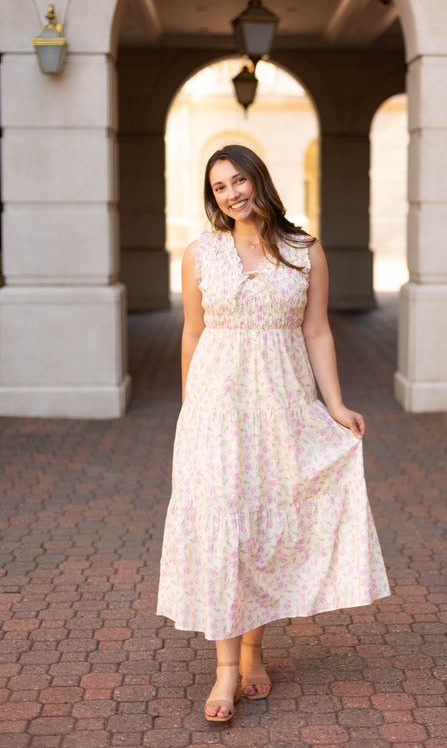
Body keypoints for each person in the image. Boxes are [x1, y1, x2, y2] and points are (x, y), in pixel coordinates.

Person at [157, 144, 389, 723]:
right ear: (212, 198)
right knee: (224, 523)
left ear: (259, 180)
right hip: (217, 409)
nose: (232, 194)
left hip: (281, 408)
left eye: (239, 181)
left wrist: (334, 404)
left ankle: (256, 652)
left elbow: (317, 333)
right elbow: (192, 334)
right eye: (219, 188)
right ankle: (225, 670)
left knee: (261, 526)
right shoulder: (200, 254)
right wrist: (193, 411)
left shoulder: (303, 251)